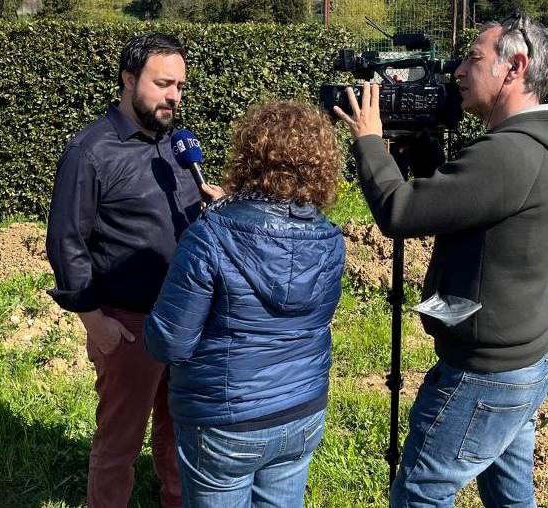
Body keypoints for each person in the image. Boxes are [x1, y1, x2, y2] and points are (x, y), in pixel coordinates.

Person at [333, 12, 548, 507]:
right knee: (510, 497)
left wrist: (369, 140)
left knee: (419, 494)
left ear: (514, 67)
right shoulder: (535, 147)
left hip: (484, 374)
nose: (458, 71)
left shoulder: (509, 154)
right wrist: (422, 157)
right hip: (522, 359)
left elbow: (401, 211)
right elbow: (462, 206)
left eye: (473, 59)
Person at [45, 33, 221, 508]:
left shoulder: (178, 145)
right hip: (128, 325)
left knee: (179, 433)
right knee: (118, 446)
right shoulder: (90, 152)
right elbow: (66, 242)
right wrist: (93, 321)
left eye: (181, 86)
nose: (175, 97)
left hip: (187, 319)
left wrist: (212, 205)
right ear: (128, 79)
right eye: (164, 84)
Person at [143, 101, 346, 508]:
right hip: (301, 412)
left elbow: (170, 344)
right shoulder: (330, 239)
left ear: (249, 156)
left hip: (225, 422)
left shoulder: (209, 237)